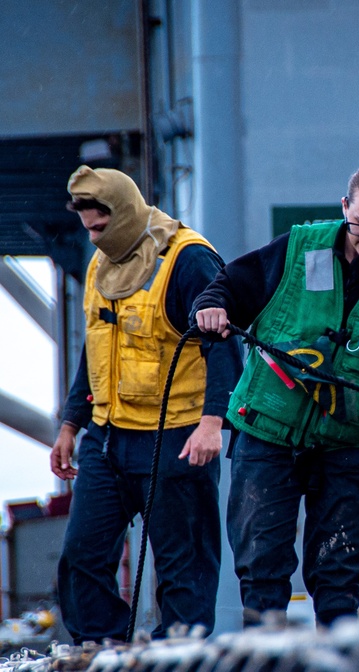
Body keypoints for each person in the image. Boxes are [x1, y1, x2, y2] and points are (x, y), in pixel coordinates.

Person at [193, 164, 359, 627]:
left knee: (340, 573)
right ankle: (264, 660)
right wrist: (210, 308)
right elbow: (231, 287)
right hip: (269, 435)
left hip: (350, 446)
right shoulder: (297, 248)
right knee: (261, 567)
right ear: (344, 208)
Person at [52, 166, 242, 643]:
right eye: (88, 230)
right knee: (82, 557)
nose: (94, 239)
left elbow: (223, 347)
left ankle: (177, 655)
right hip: (108, 438)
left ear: (123, 215)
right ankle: (105, 649)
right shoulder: (100, 265)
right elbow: (95, 348)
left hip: (177, 439)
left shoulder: (189, 261)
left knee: (185, 569)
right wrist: (71, 423)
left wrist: (212, 424)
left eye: (100, 228)